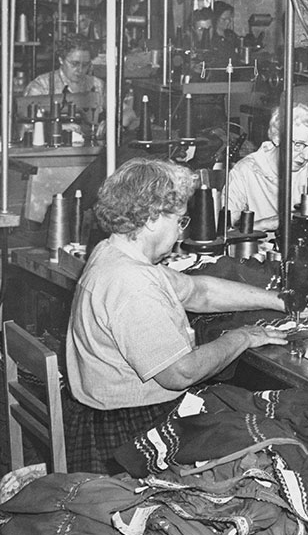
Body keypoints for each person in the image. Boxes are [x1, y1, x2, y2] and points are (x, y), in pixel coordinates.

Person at [65, 157, 289, 473]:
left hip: (114, 414)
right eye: (180, 220)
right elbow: (180, 374)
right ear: (154, 218)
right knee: (272, 437)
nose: (181, 234)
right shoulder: (131, 283)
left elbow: (199, 292)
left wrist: (280, 300)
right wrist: (243, 337)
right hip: (126, 434)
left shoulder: (114, 253)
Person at [225, 102, 308, 232]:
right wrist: (266, 224)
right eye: (298, 145)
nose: (305, 155)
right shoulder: (244, 171)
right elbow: (225, 232)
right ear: (277, 138)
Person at [22, 33, 138, 133]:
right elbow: (26, 125)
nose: (80, 70)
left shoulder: (96, 85)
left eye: (86, 64)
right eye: (74, 64)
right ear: (61, 60)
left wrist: (114, 124)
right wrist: (60, 127)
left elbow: (128, 112)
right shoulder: (41, 86)